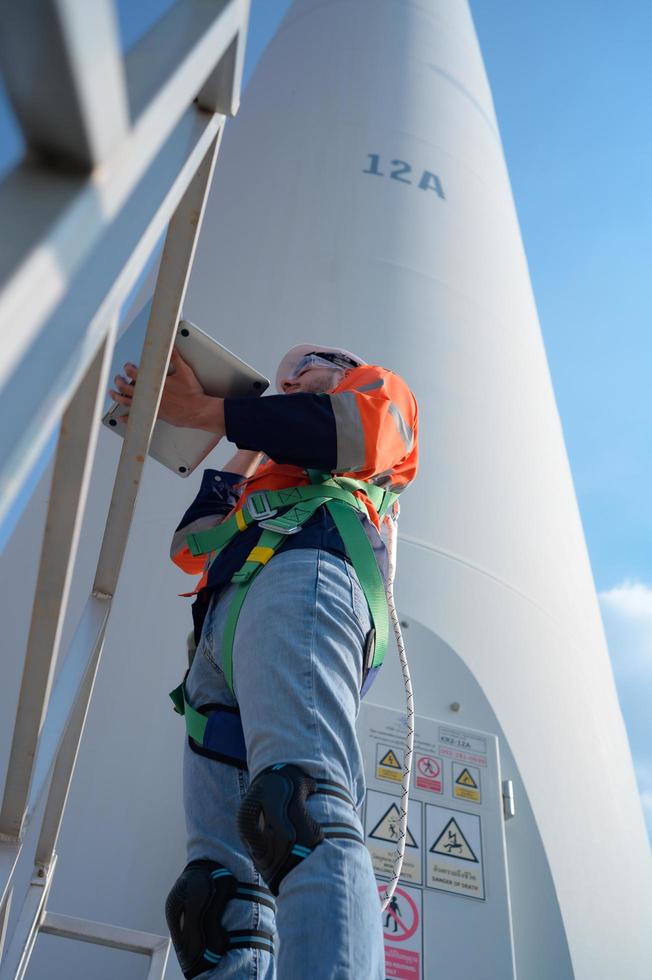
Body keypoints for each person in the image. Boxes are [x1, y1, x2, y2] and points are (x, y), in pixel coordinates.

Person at [110, 344, 418, 979]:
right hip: (226, 626)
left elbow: (352, 434)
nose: (289, 378)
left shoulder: (376, 394)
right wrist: (236, 431)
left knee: (296, 805)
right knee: (213, 895)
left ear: (344, 365)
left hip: (308, 573)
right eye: (280, 377)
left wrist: (212, 411)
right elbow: (189, 546)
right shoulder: (266, 462)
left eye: (306, 364)